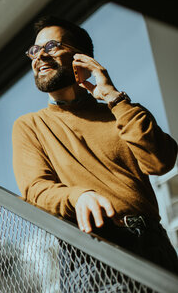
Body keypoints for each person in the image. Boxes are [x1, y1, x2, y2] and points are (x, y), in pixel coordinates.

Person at [12, 15, 178, 279]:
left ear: (81, 57)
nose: (39, 57)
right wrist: (79, 196)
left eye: (51, 46)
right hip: (93, 252)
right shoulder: (31, 125)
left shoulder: (121, 112)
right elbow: (35, 190)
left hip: (155, 246)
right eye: (34, 50)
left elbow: (160, 161)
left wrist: (113, 97)